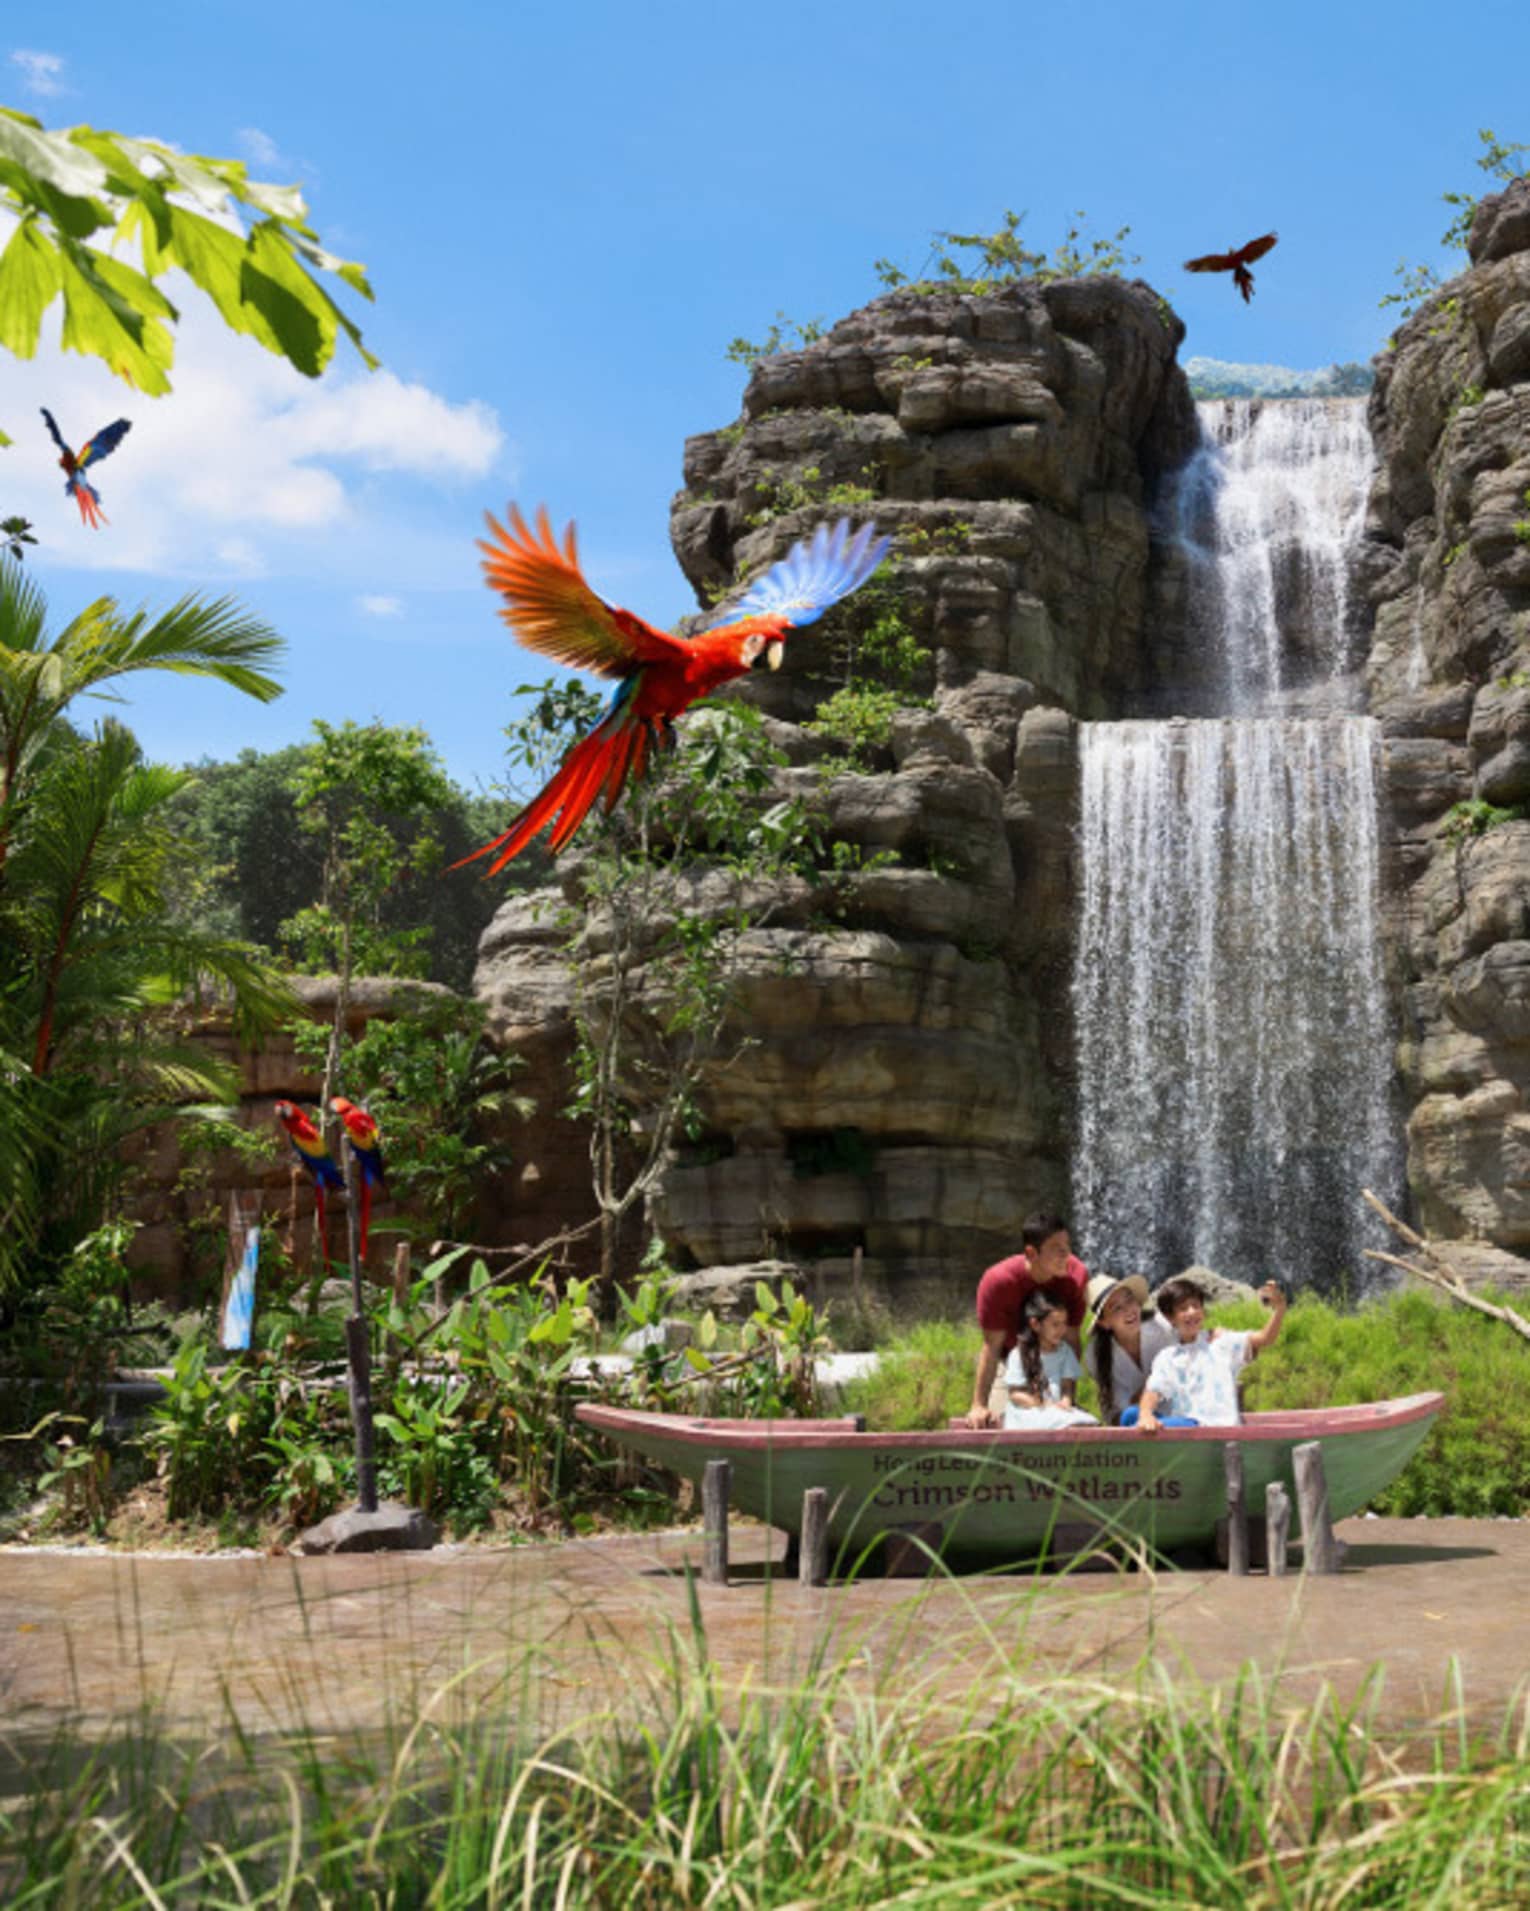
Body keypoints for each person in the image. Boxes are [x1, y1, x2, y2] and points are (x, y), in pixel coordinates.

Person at [964, 1211, 1090, 1428]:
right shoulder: (998, 1282)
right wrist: (978, 1404)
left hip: (1055, 1361)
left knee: (1064, 1425)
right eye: (1056, 1248)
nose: (1065, 1254)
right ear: (1031, 1253)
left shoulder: (1076, 1276)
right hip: (1012, 1363)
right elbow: (992, 1347)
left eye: (1067, 1245)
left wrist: (1066, 1398)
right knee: (997, 1424)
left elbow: (1071, 1340)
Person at [1136, 1276, 1288, 1434]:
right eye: (1183, 1309)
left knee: (1146, 1424)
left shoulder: (1221, 1342)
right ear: (1170, 1318)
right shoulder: (1167, 1357)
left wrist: (1279, 1309)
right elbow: (1153, 1390)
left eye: (1196, 1306)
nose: (1192, 1312)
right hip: (1184, 1427)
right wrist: (1145, 1414)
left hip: (1213, 1427)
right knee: (1131, 1416)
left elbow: (1265, 1338)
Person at [1083, 1272, 1177, 1426]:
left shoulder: (1161, 1327)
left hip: (1176, 1406)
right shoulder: (1096, 1355)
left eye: (1129, 1300)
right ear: (1104, 1323)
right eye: (1117, 1308)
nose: (1129, 1310)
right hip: (1131, 1418)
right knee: (1131, 1415)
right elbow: (1120, 1406)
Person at [1003, 1290, 1099, 1430]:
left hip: (1057, 1409)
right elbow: (1015, 1394)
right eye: (1055, 1325)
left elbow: (1067, 1387)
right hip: (1029, 1410)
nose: (1061, 1330)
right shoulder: (1018, 1354)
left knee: (1089, 1423)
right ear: (1035, 1324)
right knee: (1058, 1422)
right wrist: (1040, 1404)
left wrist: (1066, 1402)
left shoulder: (1065, 1351)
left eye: (1064, 1323)